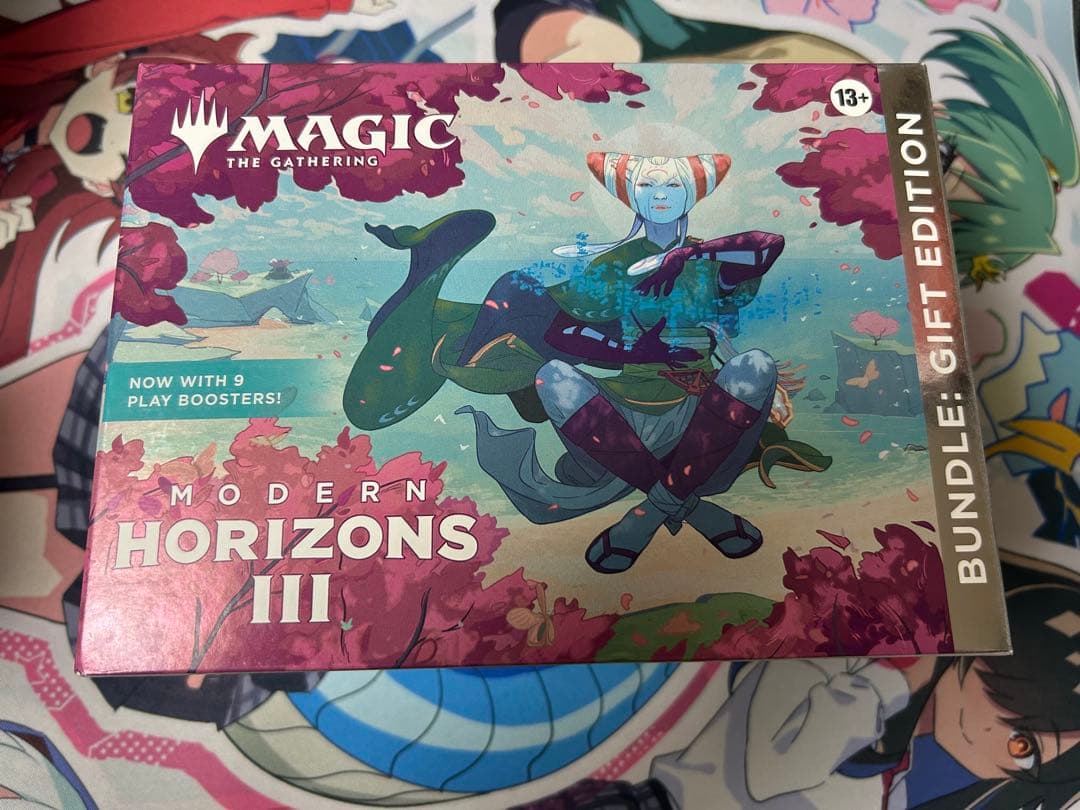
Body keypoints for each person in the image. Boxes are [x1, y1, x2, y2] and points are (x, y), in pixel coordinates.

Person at [346, 151, 826, 573]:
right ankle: (688, 507)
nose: (661, 194)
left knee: (757, 365)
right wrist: (636, 352)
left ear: (693, 195)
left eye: (674, 185)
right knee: (553, 376)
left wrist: (690, 254)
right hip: (624, 418)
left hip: (705, 417)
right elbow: (560, 330)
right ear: (632, 197)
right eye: (648, 185)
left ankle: (646, 514)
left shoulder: (711, 261)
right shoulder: (613, 265)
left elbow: (768, 245)